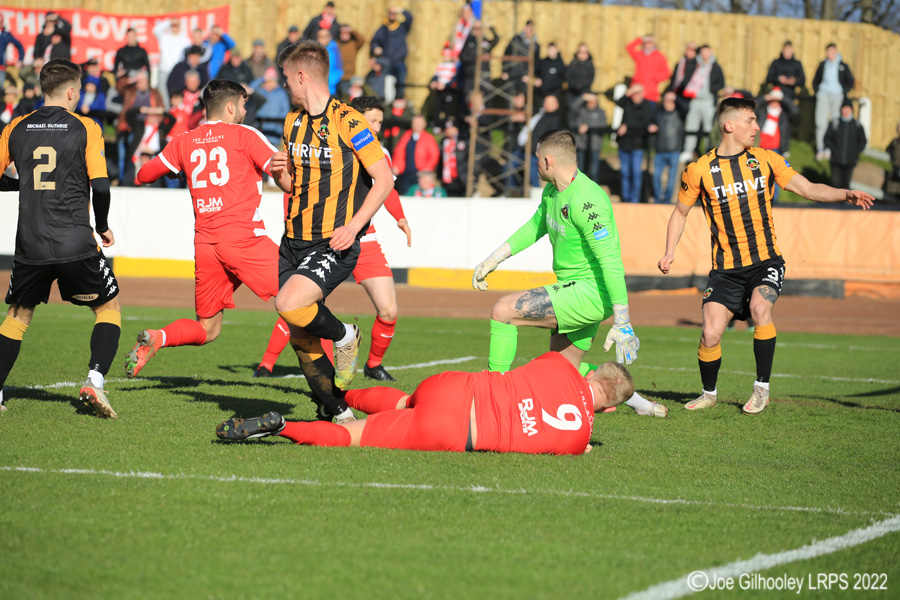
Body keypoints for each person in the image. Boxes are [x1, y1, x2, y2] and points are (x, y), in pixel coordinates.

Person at [657, 97, 874, 415]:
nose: (757, 127)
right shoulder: (699, 170)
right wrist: (669, 251)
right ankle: (709, 393)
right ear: (729, 125)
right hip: (725, 270)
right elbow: (679, 213)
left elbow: (808, 188)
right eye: (750, 120)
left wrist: (845, 193)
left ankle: (761, 390)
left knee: (761, 309)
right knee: (710, 331)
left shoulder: (767, 159)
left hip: (765, 262)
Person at [473, 129, 666, 418]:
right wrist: (494, 258)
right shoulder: (553, 191)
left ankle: (492, 398)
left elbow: (611, 262)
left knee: (503, 311)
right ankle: (640, 404)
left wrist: (623, 318)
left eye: (537, 158)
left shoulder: (589, 200)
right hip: (574, 288)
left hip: (590, 292)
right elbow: (534, 227)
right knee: (560, 369)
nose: (535, 163)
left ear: (548, 161)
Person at [270, 41, 393, 422]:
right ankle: (337, 411)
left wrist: (354, 226)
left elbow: (383, 179)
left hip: (332, 241)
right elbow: (293, 186)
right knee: (301, 336)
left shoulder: (349, 121)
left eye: (287, 78)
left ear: (302, 76)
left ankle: (344, 335)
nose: (285, 85)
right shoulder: (292, 121)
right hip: (292, 242)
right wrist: (280, 175)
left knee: (287, 304)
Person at [124, 80, 280, 376]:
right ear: (231, 106)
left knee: (208, 329)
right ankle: (335, 382)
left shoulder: (184, 141)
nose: (245, 111)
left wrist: (175, 170)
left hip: (206, 244)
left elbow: (144, 174)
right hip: (244, 239)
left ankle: (160, 337)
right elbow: (280, 170)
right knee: (302, 294)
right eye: (243, 105)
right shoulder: (244, 135)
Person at [255, 96, 412, 382]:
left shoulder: (379, 153)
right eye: (371, 121)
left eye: (379, 121)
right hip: (328, 239)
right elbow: (299, 188)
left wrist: (399, 217)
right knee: (298, 303)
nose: (375, 127)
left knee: (389, 309)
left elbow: (386, 186)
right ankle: (266, 365)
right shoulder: (328, 148)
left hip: (364, 241)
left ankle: (374, 365)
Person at [216, 352, 633, 456]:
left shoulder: (562, 365)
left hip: (455, 387)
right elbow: (574, 429)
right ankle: (282, 426)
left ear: (593, 374)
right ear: (609, 409)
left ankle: (338, 396)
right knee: (349, 437)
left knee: (402, 401)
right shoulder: (579, 440)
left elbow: (554, 373)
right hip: (458, 431)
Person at [0, 59, 121, 417]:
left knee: (18, 316)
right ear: (71, 91)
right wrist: (102, 226)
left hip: (30, 243)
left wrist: (20, 182)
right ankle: (94, 382)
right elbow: (100, 186)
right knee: (107, 308)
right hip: (74, 240)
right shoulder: (86, 126)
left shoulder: (16, 127)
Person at [681, 44, 725, 162]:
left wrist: (712, 90)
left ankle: (708, 150)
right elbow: (685, 78)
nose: (705, 55)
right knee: (691, 126)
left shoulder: (715, 67)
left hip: (708, 100)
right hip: (694, 99)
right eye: (703, 52)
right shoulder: (694, 66)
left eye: (707, 52)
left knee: (708, 127)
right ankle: (688, 150)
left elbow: (721, 83)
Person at [813, 43, 854, 161]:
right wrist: (818, 92)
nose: (829, 54)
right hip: (823, 94)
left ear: (835, 51)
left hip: (837, 95)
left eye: (831, 51)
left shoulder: (843, 65)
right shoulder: (822, 65)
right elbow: (815, 80)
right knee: (821, 122)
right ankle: (820, 147)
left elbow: (850, 81)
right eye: (827, 52)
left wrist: (843, 92)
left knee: (835, 121)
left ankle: (830, 147)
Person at [616, 84, 654, 203]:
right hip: (624, 143)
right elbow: (618, 102)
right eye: (634, 93)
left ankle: (634, 199)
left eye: (638, 93)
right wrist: (629, 91)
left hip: (638, 144)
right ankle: (625, 198)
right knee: (625, 173)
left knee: (636, 173)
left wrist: (627, 126)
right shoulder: (628, 103)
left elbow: (645, 124)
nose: (635, 96)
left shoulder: (647, 106)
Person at [371, 6, 414, 100]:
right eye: (390, 14)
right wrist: (376, 48)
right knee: (388, 84)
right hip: (387, 61)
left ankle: (399, 102)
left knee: (400, 84)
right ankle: (388, 103)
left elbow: (410, 18)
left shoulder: (401, 27)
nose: (392, 16)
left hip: (399, 61)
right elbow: (374, 41)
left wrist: (401, 10)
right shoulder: (383, 29)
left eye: (394, 14)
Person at [824, 98, 867, 189]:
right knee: (835, 183)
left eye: (848, 109)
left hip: (850, 161)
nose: (846, 111)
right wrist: (833, 150)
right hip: (836, 160)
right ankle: (835, 203)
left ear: (851, 110)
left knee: (846, 184)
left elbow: (863, 141)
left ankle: (844, 203)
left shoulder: (857, 125)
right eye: (844, 108)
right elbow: (827, 138)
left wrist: (855, 152)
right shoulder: (835, 124)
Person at [392, 114, 440, 195]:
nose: (417, 125)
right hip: (405, 173)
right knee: (404, 194)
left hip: (420, 174)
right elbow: (398, 152)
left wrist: (425, 170)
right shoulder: (406, 136)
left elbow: (434, 156)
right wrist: (396, 166)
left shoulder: (429, 138)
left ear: (424, 124)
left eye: (419, 123)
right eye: (415, 123)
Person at [651, 90, 683, 204]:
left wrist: (676, 97)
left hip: (674, 150)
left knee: (672, 178)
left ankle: (667, 199)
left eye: (670, 101)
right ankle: (657, 198)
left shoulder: (680, 113)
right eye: (665, 100)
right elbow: (650, 122)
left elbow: (686, 106)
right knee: (656, 176)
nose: (667, 103)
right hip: (660, 150)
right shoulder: (658, 113)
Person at [153, 17, 191, 107]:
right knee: (163, 95)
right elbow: (156, 30)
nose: (175, 27)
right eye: (173, 26)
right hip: (164, 71)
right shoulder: (164, 37)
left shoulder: (185, 40)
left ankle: (178, 116)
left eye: (177, 25)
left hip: (178, 72)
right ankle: (166, 115)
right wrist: (169, 21)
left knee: (177, 95)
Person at [625, 34, 669, 105]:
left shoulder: (659, 56)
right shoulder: (639, 55)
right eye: (645, 42)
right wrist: (640, 40)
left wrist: (654, 78)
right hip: (636, 92)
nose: (647, 45)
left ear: (653, 43)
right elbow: (629, 47)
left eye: (649, 42)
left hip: (650, 93)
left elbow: (666, 73)